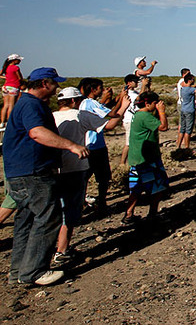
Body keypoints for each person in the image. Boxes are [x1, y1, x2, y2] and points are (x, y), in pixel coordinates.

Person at [2, 68, 88, 286]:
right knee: (48, 218)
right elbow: (36, 132)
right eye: (55, 83)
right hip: (32, 173)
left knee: (26, 221)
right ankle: (34, 271)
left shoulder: (24, 102)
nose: (56, 87)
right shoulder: (31, 104)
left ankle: (19, 272)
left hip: (19, 173)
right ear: (45, 83)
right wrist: (71, 145)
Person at [52, 86, 125, 268]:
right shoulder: (81, 115)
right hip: (75, 168)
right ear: (75, 101)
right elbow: (108, 124)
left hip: (52, 169)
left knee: (53, 211)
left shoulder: (50, 117)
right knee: (69, 212)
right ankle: (61, 250)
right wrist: (122, 107)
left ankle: (47, 250)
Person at [78, 78, 128, 216]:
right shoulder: (89, 103)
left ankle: (90, 203)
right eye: (101, 88)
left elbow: (106, 110)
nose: (103, 90)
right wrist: (123, 104)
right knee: (100, 177)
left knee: (93, 177)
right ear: (93, 90)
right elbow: (111, 115)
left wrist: (117, 100)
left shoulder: (87, 103)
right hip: (93, 146)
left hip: (94, 144)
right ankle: (99, 203)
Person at [124, 91, 169, 224]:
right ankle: (153, 214)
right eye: (155, 103)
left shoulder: (138, 115)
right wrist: (161, 112)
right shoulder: (144, 116)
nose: (157, 105)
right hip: (148, 159)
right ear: (148, 103)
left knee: (136, 187)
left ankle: (129, 213)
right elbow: (163, 127)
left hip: (137, 157)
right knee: (158, 186)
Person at [177, 73, 196, 150]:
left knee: (182, 129)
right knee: (188, 130)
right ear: (189, 80)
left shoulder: (183, 88)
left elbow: (193, 88)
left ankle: (178, 146)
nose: (193, 81)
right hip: (189, 111)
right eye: (193, 79)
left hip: (183, 110)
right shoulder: (190, 89)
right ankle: (187, 148)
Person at [120, 74, 139, 165]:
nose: (137, 83)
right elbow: (139, 100)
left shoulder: (134, 93)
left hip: (133, 120)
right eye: (135, 81)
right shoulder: (128, 94)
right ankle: (122, 163)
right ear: (129, 83)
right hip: (129, 120)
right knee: (128, 143)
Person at [2, 53, 24, 129]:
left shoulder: (6, 67)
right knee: (11, 105)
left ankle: (2, 122)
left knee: (5, 105)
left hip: (6, 86)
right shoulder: (15, 68)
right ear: (14, 60)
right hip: (13, 87)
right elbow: (20, 78)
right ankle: (9, 121)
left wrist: (6, 78)